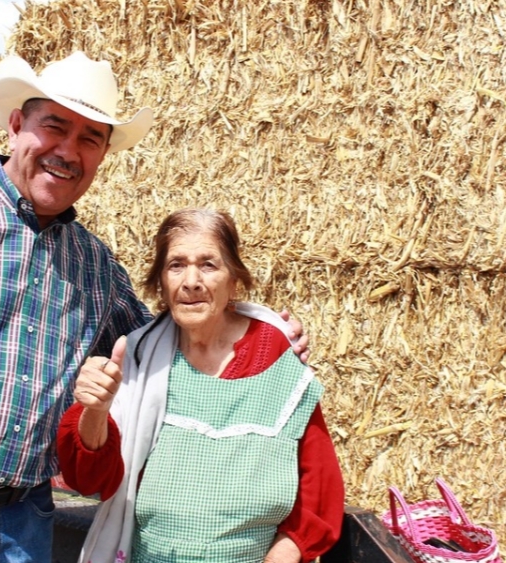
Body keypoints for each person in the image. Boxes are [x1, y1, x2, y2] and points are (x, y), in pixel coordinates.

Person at [0, 52, 311, 563]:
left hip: (24, 524)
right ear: (17, 125)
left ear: (103, 155)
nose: (68, 150)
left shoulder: (93, 263)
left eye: (90, 137)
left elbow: (165, 337)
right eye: (55, 127)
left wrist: (255, 328)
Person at [57, 208, 344, 563]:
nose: (191, 280)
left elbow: (318, 490)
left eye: (208, 265)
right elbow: (90, 480)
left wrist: (282, 556)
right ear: (160, 282)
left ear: (234, 280)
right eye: (176, 265)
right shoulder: (139, 359)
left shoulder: (278, 362)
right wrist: (96, 411)